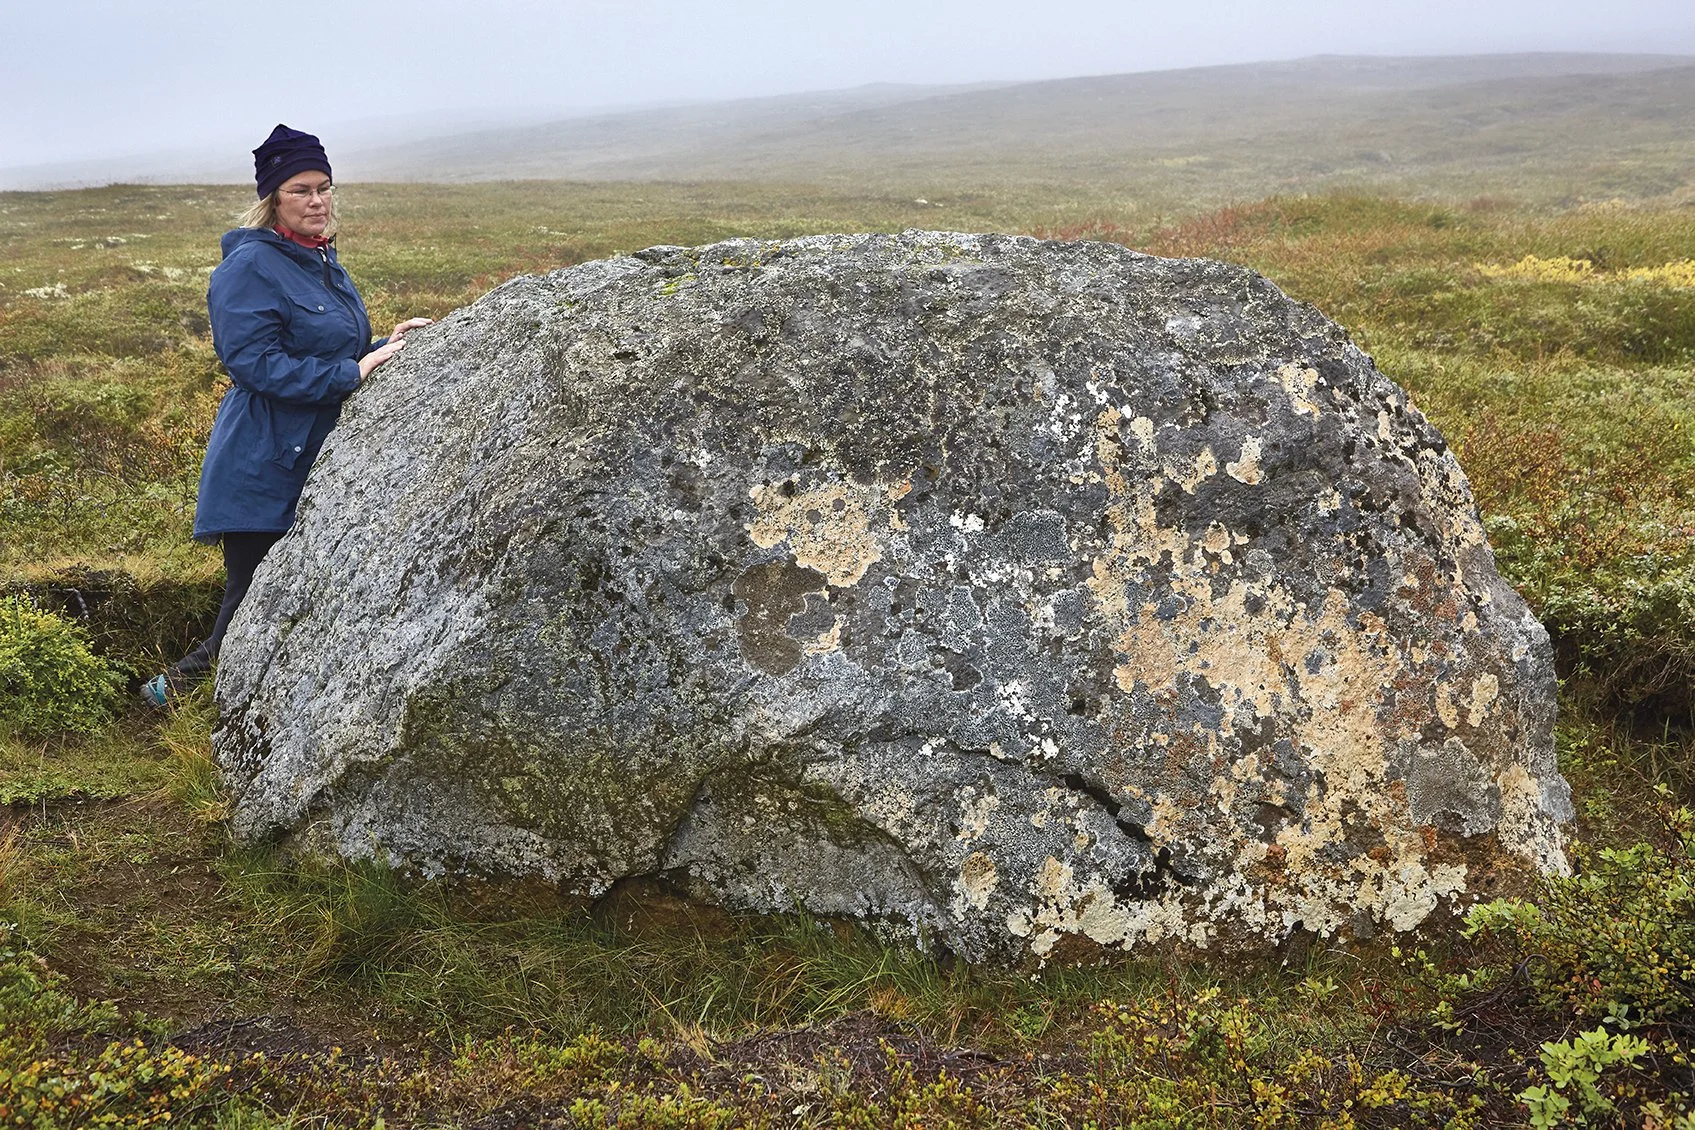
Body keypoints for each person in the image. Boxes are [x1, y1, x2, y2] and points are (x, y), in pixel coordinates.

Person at [142, 124, 431, 706]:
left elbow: (323, 342)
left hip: (314, 450)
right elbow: (254, 363)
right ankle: (169, 698)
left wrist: (377, 345)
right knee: (250, 596)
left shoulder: (322, 260)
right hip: (263, 456)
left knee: (289, 592)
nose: (318, 200)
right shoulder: (249, 268)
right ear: (273, 198)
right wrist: (353, 374)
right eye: (301, 189)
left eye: (325, 187)